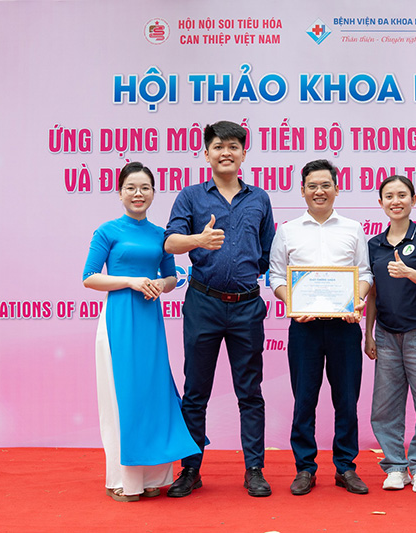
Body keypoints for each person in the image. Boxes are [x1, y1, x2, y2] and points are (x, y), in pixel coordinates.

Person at [164, 121, 275, 498]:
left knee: (250, 392)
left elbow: (266, 252)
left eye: (233, 146)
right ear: (206, 154)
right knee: (196, 391)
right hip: (204, 304)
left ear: (244, 153)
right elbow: (170, 242)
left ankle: (254, 469)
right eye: (217, 146)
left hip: (246, 307)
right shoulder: (191, 196)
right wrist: (199, 239)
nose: (225, 152)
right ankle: (190, 469)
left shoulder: (259, 198)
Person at [82, 161, 201, 502]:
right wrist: (130, 281)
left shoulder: (160, 235)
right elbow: (89, 277)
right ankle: (123, 479)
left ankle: (153, 478)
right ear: (120, 193)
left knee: (153, 393)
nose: (138, 194)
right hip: (119, 318)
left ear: (153, 193)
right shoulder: (107, 231)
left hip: (150, 319)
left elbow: (171, 277)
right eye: (131, 188)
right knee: (123, 395)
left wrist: (160, 284)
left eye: (145, 188)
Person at [270, 159, 372, 496]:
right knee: (304, 400)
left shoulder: (353, 229)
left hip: (345, 326)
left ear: (336, 189)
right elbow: (275, 276)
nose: (319, 191)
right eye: (312, 186)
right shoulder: (287, 231)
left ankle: (345, 467)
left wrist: (356, 300)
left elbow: (365, 273)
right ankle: (305, 468)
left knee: (347, 399)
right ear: (302, 190)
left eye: (325, 185)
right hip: (304, 328)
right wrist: (292, 302)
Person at [364, 175, 416, 493]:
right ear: (380, 202)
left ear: (413, 199)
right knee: (385, 407)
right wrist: (369, 334)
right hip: (386, 334)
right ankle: (396, 467)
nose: (395, 201)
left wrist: (408, 271)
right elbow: (372, 294)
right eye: (389, 196)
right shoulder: (374, 245)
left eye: (402, 195)